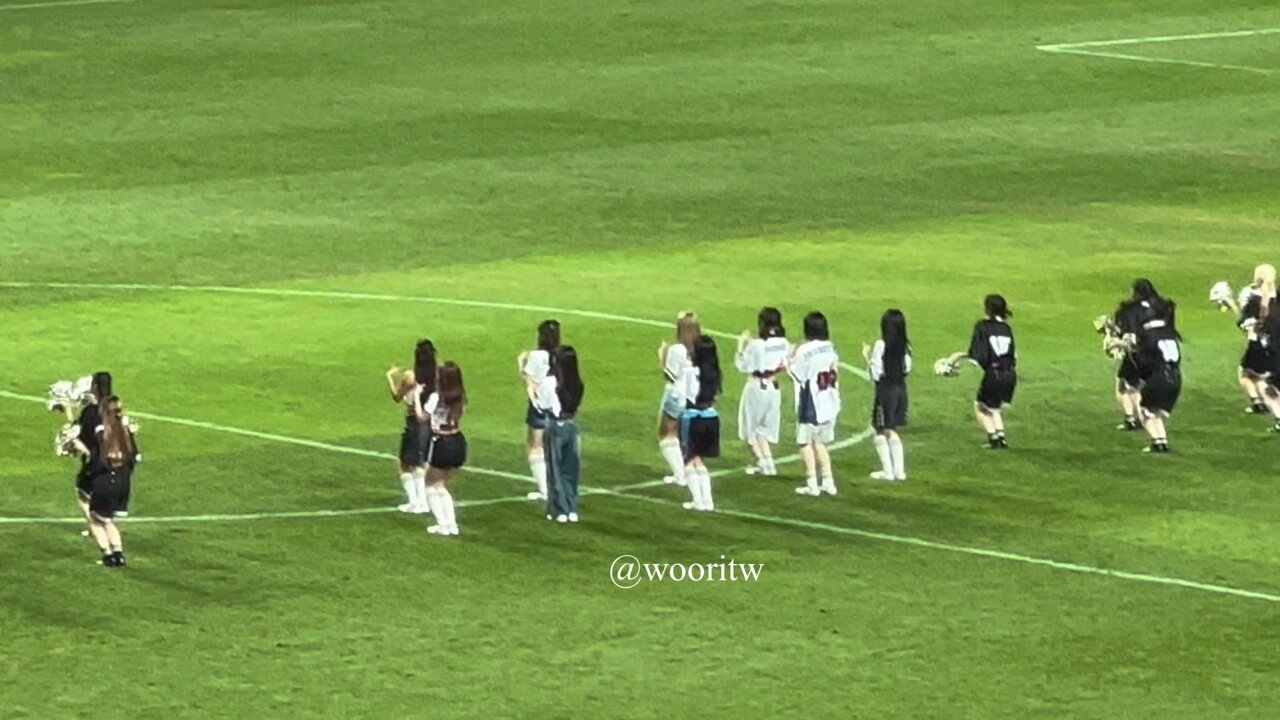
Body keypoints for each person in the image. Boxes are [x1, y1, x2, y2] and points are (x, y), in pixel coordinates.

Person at [72, 396, 139, 567]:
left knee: (96, 520)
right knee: (108, 520)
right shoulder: (126, 431)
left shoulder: (103, 432)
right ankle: (119, 554)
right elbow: (135, 458)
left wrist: (82, 449)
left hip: (105, 481)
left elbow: (98, 462)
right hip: (123, 482)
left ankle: (108, 555)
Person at [947, 295, 1017, 449]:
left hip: (994, 373)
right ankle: (1001, 438)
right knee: (994, 407)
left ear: (987, 308)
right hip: (1010, 374)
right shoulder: (1006, 328)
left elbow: (978, 354)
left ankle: (993, 438)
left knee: (980, 406)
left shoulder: (982, 326)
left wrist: (956, 359)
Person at [412, 362, 467, 536]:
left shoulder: (436, 397)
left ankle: (443, 524)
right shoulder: (460, 397)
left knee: (431, 484)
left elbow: (421, 417)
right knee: (442, 485)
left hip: (441, 442)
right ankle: (452, 525)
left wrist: (416, 397)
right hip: (458, 441)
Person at [790, 312, 841, 497]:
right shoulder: (831, 347)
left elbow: (798, 375)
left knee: (805, 442)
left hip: (810, 401)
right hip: (829, 399)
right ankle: (829, 482)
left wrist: (790, 357)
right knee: (820, 442)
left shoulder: (805, 350)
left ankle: (812, 484)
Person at [735, 308, 788, 476]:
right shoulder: (783, 343)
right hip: (774, 388)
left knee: (749, 428)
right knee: (763, 429)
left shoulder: (756, 344)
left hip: (756, 387)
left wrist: (741, 345)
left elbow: (742, 366)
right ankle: (769, 465)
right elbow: (785, 365)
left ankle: (762, 462)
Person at [536, 345, 586, 523]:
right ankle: (571, 508)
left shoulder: (550, 382)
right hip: (572, 427)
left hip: (555, 427)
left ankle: (559, 510)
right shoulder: (578, 383)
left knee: (555, 470)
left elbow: (541, 405)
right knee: (571, 470)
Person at [385, 340, 435, 514]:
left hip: (414, 422)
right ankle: (422, 502)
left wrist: (389, 377)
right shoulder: (436, 376)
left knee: (405, 463)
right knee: (421, 462)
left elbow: (397, 397)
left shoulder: (410, 376)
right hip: (430, 422)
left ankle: (416, 502)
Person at [863, 309, 911, 481]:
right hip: (901, 390)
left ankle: (888, 471)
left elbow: (876, 373)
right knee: (892, 429)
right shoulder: (906, 346)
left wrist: (866, 356)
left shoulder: (881, 345)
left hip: (885, 392)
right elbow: (907, 368)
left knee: (880, 430)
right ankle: (899, 471)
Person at [1224, 265, 1277, 416]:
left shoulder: (1254, 300)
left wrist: (1230, 302)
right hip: (1275, 345)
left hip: (1260, 345)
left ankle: (1262, 405)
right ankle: (1260, 404)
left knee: (1249, 375)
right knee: (1264, 378)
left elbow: (1245, 323)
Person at [516, 320, 560, 502]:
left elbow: (528, 379)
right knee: (554, 447)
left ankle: (545, 490)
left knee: (535, 446)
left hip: (539, 405)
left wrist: (521, 362)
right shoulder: (563, 354)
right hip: (558, 404)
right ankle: (557, 486)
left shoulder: (536, 355)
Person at [1112, 280, 1165, 431]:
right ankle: (1140, 417)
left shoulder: (1131, 310)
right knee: (1140, 385)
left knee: (1125, 385)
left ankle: (1132, 418)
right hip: (1161, 351)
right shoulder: (1160, 306)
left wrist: (1115, 340)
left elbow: (1130, 336)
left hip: (1138, 352)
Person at [1133, 297, 1182, 453]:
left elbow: (1144, 360)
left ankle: (1157, 441)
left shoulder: (1148, 333)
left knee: (1144, 410)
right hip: (1175, 377)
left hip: (1159, 377)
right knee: (1154, 412)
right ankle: (1161, 442)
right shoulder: (1170, 331)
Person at [658, 313, 701, 487]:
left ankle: (680, 474)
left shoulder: (677, 350)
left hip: (677, 394)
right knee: (684, 435)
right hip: (695, 395)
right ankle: (686, 472)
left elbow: (670, 376)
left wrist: (663, 356)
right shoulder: (703, 347)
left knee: (666, 433)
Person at [681, 335, 722, 512]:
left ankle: (698, 500)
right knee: (700, 461)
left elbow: (685, 395)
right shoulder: (715, 372)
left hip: (693, 417)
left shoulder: (690, 371)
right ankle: (708, 501)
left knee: (690, 460)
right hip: (711, 417)